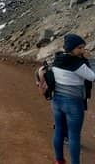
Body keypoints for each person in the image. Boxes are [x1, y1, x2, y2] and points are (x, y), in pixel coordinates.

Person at [46, 34, 95, 164]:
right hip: (73, 103)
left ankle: (59, 160)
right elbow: (92, 76)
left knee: (59, 131)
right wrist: (88, 60)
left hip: (56, 101)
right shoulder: (77, 63)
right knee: (74, 136)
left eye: (83, 47)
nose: (83, 50)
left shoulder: (57, 59)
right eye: (80, 48)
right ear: (71, 48)